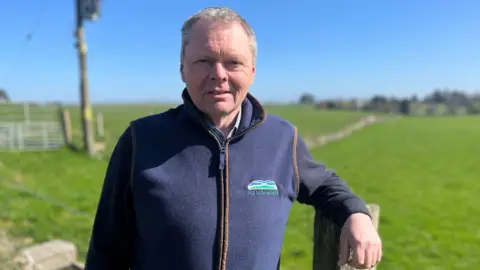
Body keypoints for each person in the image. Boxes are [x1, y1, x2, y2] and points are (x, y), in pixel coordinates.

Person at [84, 6, 382, 270]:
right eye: (204, 60)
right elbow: (105, 251)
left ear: (252, 71)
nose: (219, 74)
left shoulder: (283, 139)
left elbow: (325, 185)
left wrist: (357, 215)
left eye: (233, 62)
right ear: (182, 69)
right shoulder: (140, 140)